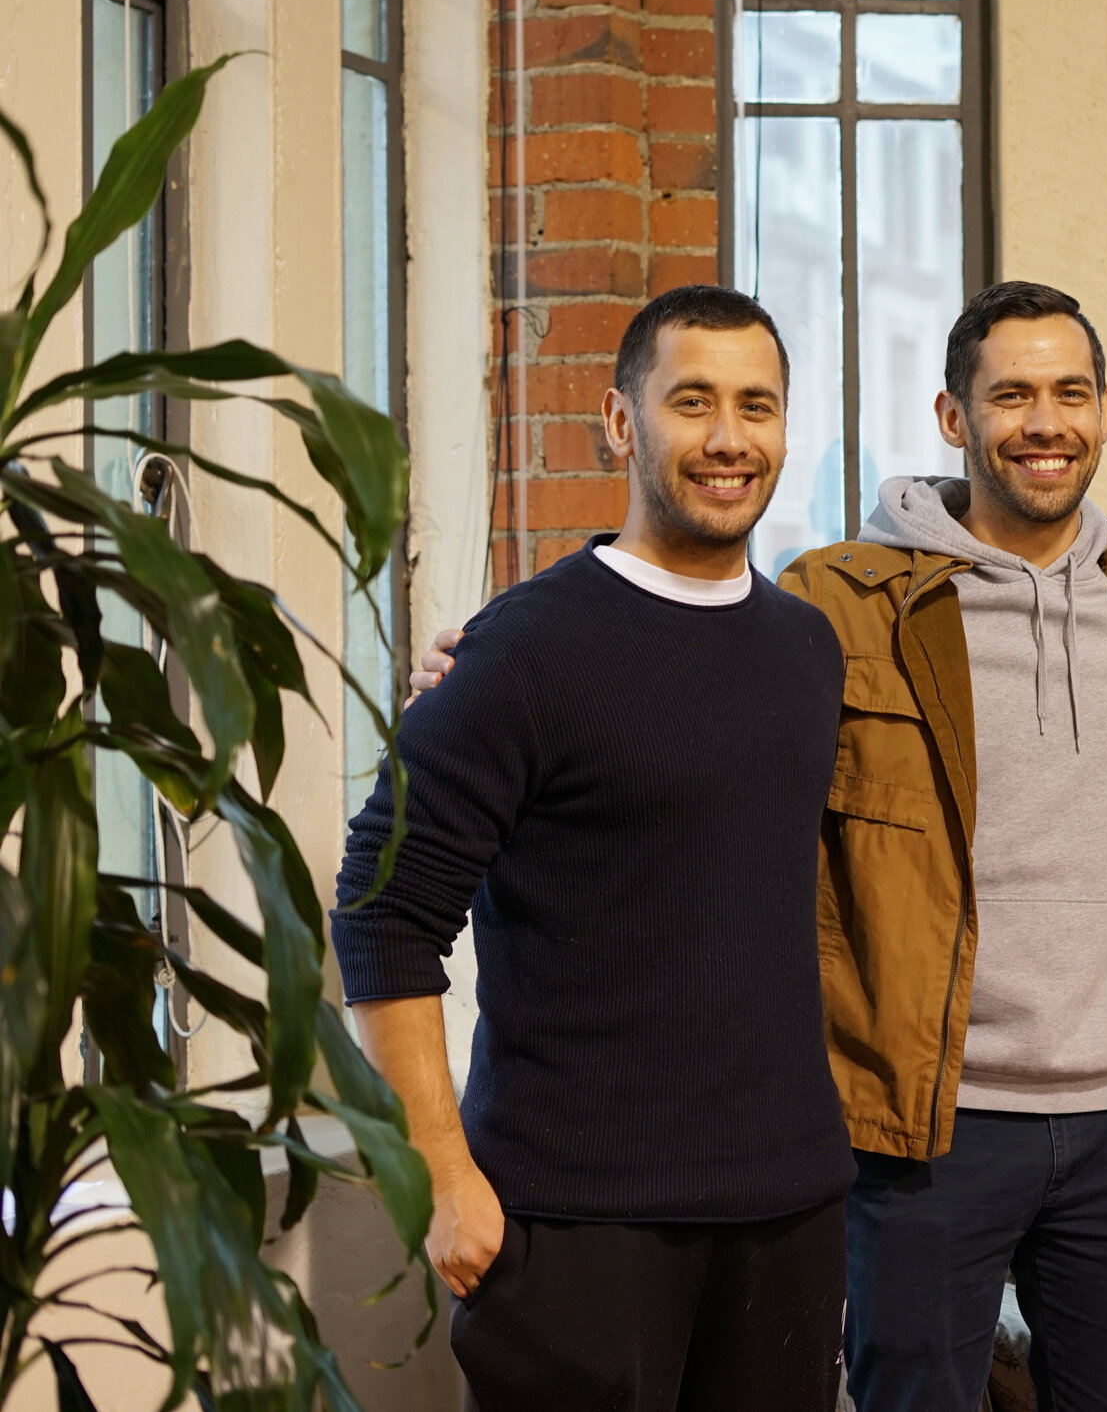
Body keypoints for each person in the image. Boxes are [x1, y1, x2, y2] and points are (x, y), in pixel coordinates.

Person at [410, 280, 1107, 1412]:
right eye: (1012, 395)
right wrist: (481, 661)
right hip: (924, 1114)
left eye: (1071, 392)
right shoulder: (839, 605)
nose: (1045, 421)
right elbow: (664, 625)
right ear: (952, 416)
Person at [335, 286, 852, 1410]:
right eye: (692, 401)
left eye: (756, 406)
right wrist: (439, 1173)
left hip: (787, 1211)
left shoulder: (809, 651)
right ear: (621, 422)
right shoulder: (521, 653)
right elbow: (382, 912)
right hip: (572, 1223)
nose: (728, 437)